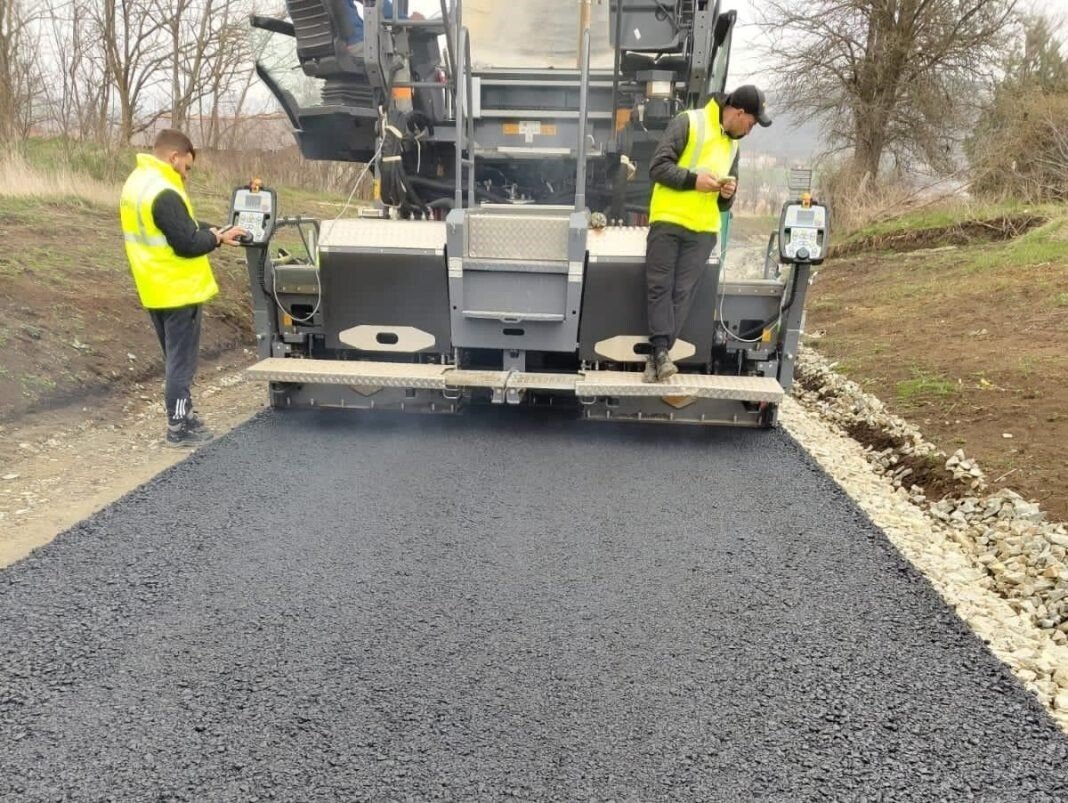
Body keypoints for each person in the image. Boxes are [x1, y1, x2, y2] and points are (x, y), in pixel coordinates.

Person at [118, 129, 247, 447]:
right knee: (181, 365)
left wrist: (216, 230)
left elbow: (178, 226)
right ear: (174, 157)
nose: (186, 174)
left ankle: (184, 415)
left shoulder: (138, 182)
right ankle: (179, 426)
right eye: (186, 167)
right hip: (179, 290)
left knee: (174, 359)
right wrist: (216, 239)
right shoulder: (165, 191)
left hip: (154, 287)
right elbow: (188, 243)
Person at [643, 84, 772, 382]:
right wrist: (693, 180)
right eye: (751, 123)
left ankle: (658, 356)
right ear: (739, 113)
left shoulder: (734, 146)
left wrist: (728, 193)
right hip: (668, 220)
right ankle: (660, 353)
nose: (750, 130)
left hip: (703, 230)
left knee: (682, 293)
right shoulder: (689, 122)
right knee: (660, 287)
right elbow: (658, 167)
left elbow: (725, 204)